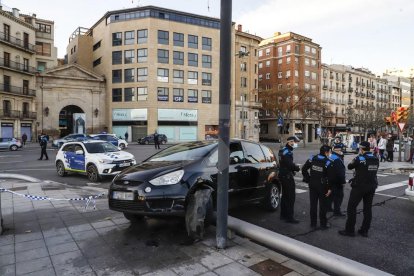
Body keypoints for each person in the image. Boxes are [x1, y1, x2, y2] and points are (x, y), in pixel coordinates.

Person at [338, 141, 379, 237]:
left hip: (359, 187)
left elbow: (349, 166)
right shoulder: (375, 158)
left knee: (351, 208)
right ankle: (364, 230)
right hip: (371, 186)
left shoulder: (360, 158)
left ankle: (349, 230)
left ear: (361, 149)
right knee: (367, 209)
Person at [301, 145, 332, 229]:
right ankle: (323, 224)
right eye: (329, 152)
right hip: (323, 186)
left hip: (312, 184)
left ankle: (313, 224)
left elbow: (304, 169)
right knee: (323, 206)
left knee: (313, 205)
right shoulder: (328, 162)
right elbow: (330, 177)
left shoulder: (312, 158)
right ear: (326, 152)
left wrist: (308, 179)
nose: (330, 154)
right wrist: (329, 188)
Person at [278, 136, 301, 223]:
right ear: (290, 142)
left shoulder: (283, 150)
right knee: (291, 197)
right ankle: (289, 217)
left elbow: (284, 163)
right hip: (287, 177)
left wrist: (292, 168)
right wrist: (296, 168)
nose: (296, 144)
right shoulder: (287, 152)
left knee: (285, 196)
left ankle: (283, 215)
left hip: (283, 175)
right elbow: (289, 164)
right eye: (295, 142)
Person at [326, 144, 346, 216]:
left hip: (330, 179)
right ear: (338, 150)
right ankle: (337, 211)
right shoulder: (337, 158)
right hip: (337, 180)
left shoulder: (331, 156)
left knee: (331, 194)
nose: (342, 152)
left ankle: (328, 207)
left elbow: (327, 166)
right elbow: (340, 172)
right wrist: (343, 182)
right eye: (341, 150)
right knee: (339, 196)